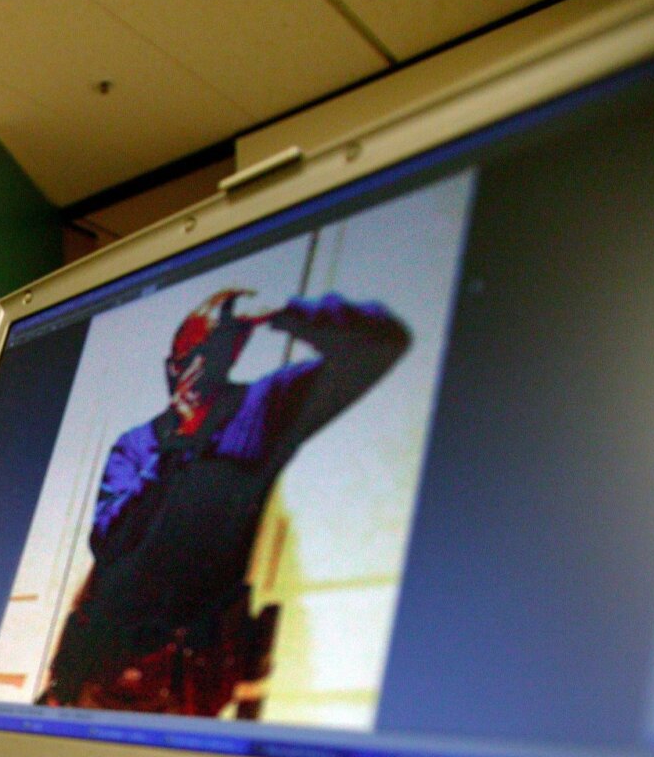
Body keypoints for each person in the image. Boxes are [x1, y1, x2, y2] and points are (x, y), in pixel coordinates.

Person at [42, 289, 409, 715]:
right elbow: (107, 541)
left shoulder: (261, 408)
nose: (195, 371)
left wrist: (285, 311)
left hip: (192, 672)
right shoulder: (139, 442)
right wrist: (171, 448)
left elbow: (380, 345)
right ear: (169, 368)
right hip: (104, 666)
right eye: (186, 359)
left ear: (233, 354)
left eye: (210, 354)